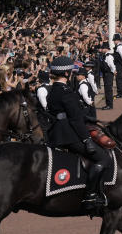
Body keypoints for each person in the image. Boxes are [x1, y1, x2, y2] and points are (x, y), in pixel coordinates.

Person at [46, 56, 111, 213]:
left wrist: (88, 118)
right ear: (67, 73)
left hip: (56, 132)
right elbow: (75, 120)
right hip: (68, 134)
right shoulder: (66, 92)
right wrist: (86, 139)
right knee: (102, 158)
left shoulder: (53, 90)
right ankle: (90, 195)